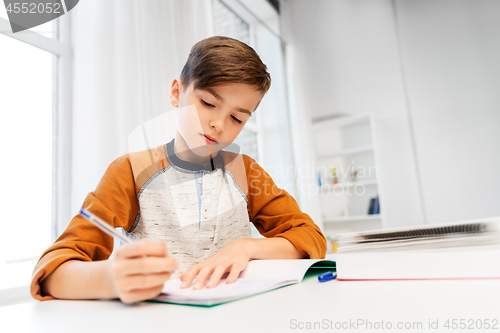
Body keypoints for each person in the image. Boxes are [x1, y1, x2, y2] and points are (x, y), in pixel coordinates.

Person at [31, 36, 327, 304]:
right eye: (208, 103)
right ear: (177, 92)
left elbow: (311, 238)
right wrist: (111, 278)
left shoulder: (246, 172)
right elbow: (51, 274)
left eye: (237, 118)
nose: (219, 124)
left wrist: (245, 247)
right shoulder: (131, 171)